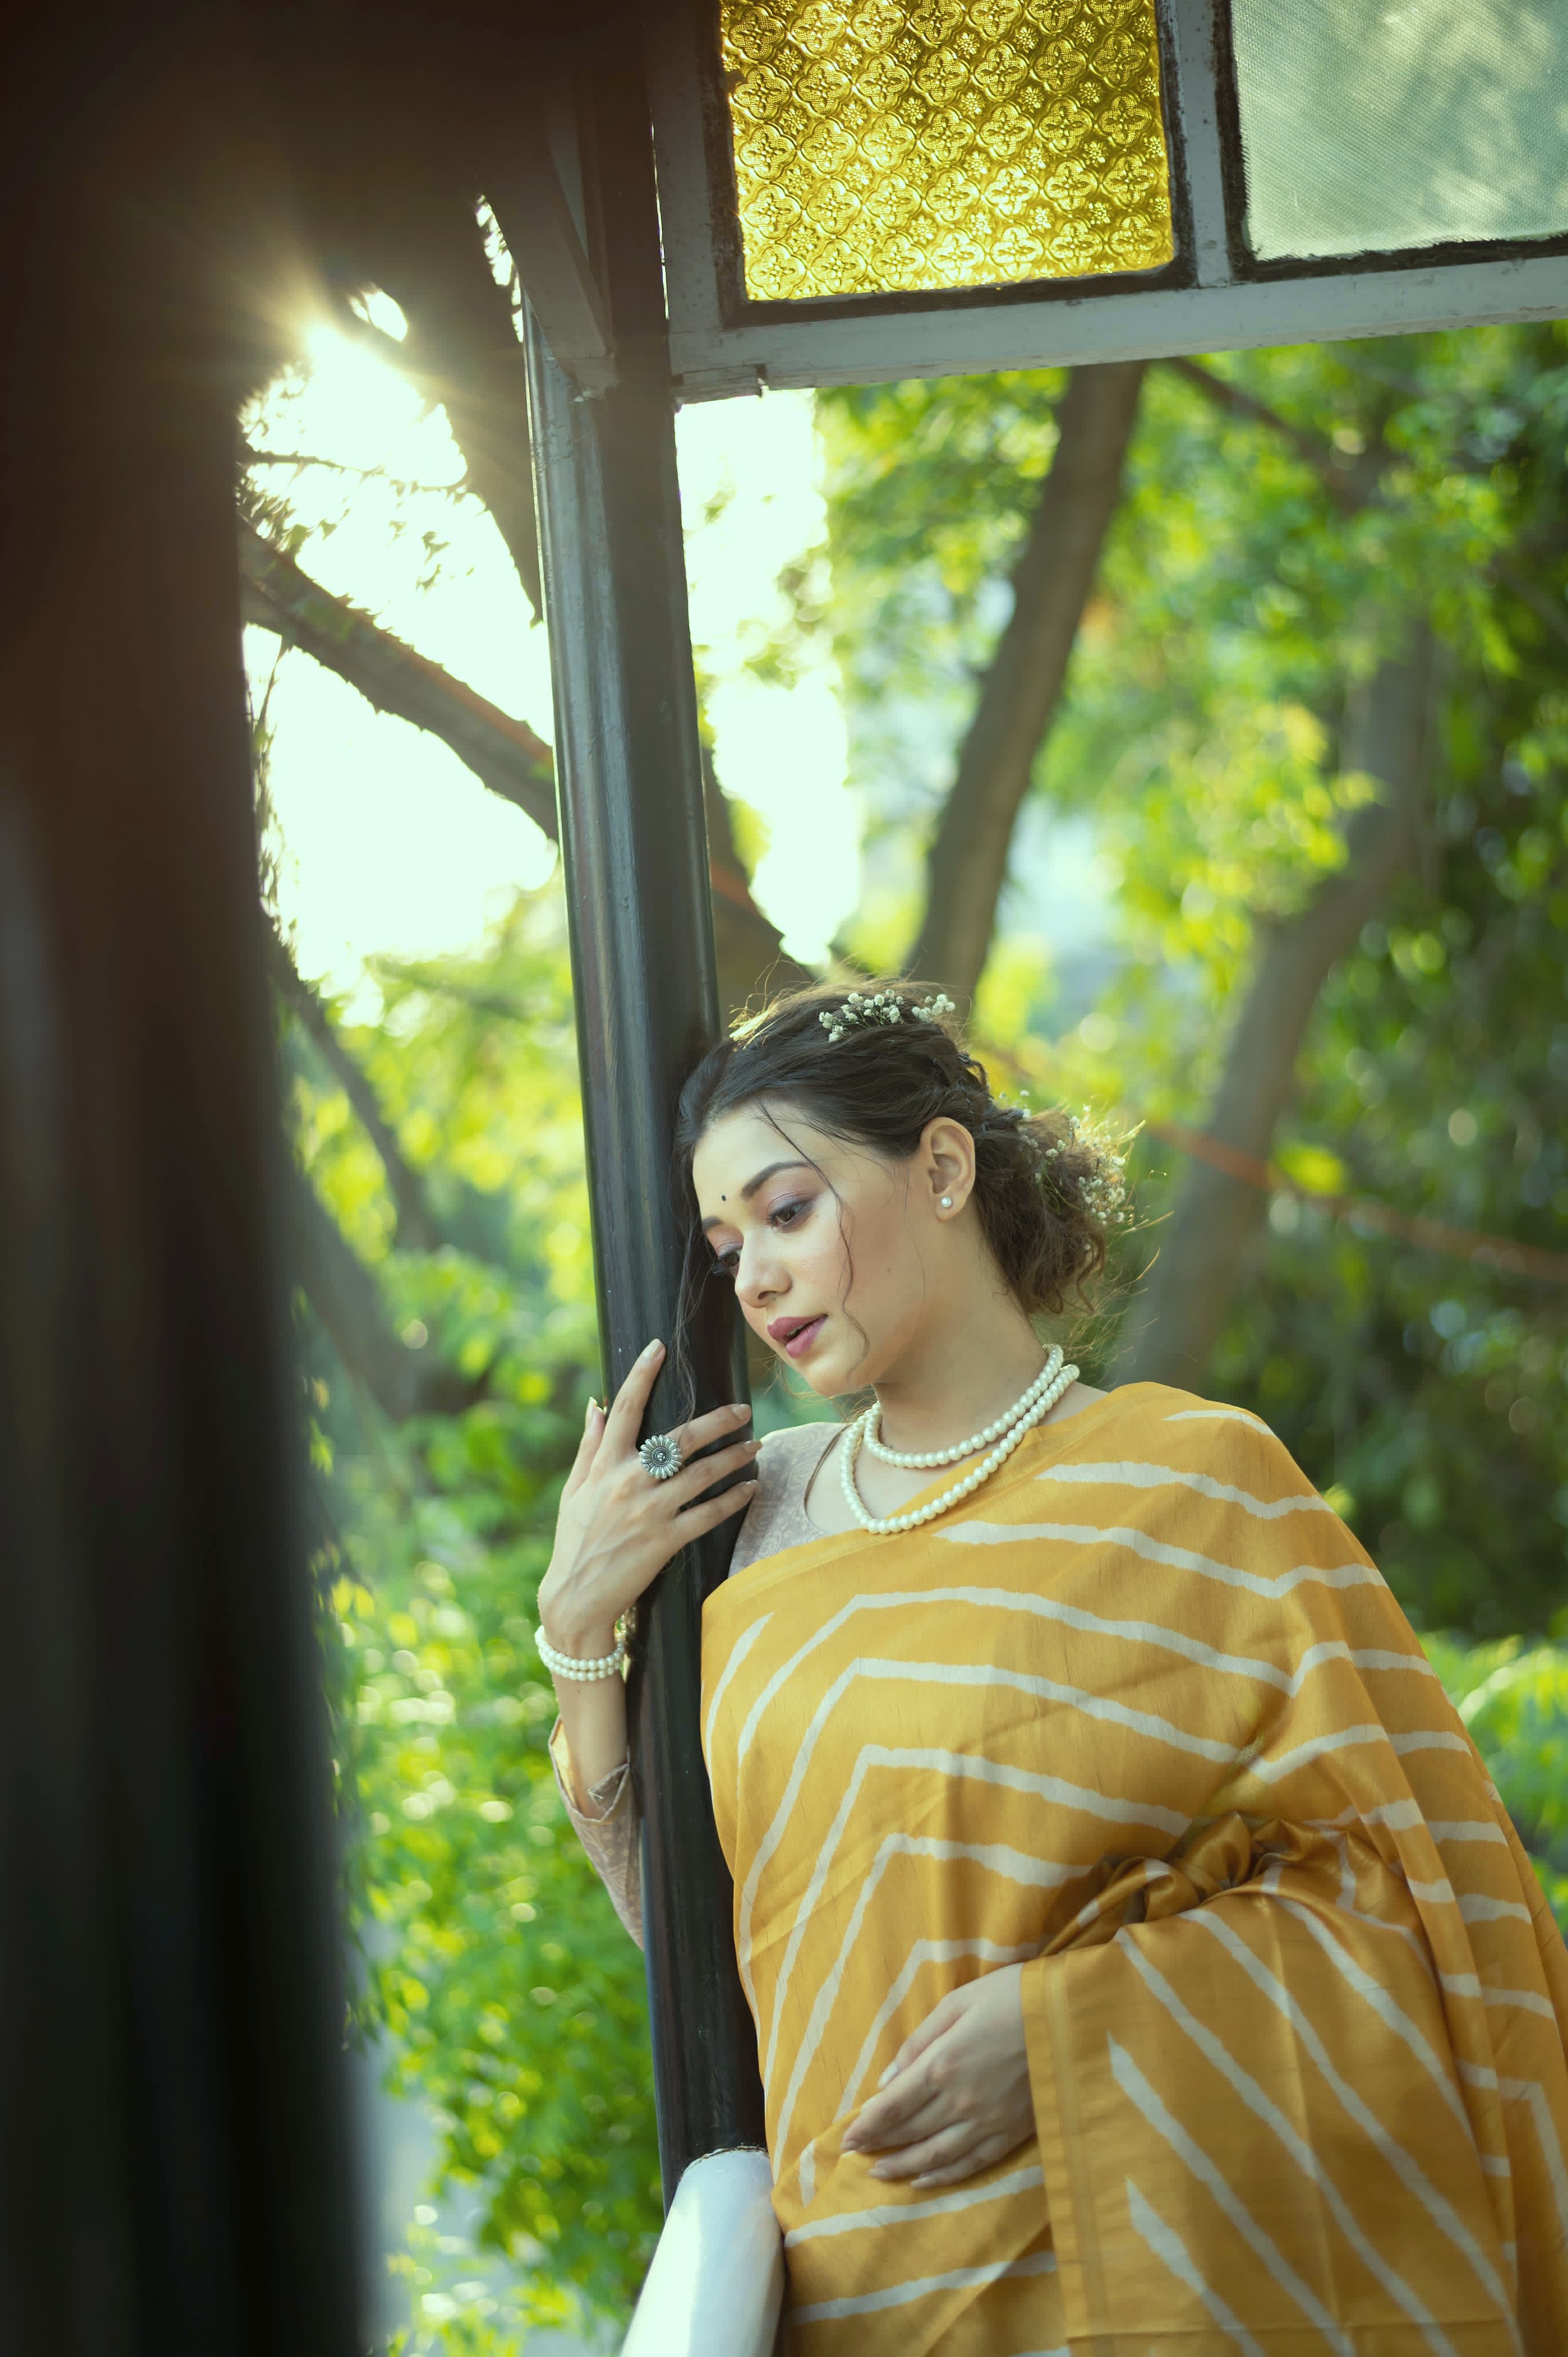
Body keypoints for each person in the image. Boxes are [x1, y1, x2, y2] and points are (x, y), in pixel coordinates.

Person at [537, 981, 1568, 2354]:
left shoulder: (1193, 1484)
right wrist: (580, 1633)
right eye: (728, 1246)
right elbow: (710, 1947)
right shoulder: (751, 1518)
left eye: (786, 1211)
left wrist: (1069, 2024)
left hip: (1154, 2280)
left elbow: (1412, 1898)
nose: (756, 1277)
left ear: (941, 1167)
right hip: (858, 2282)